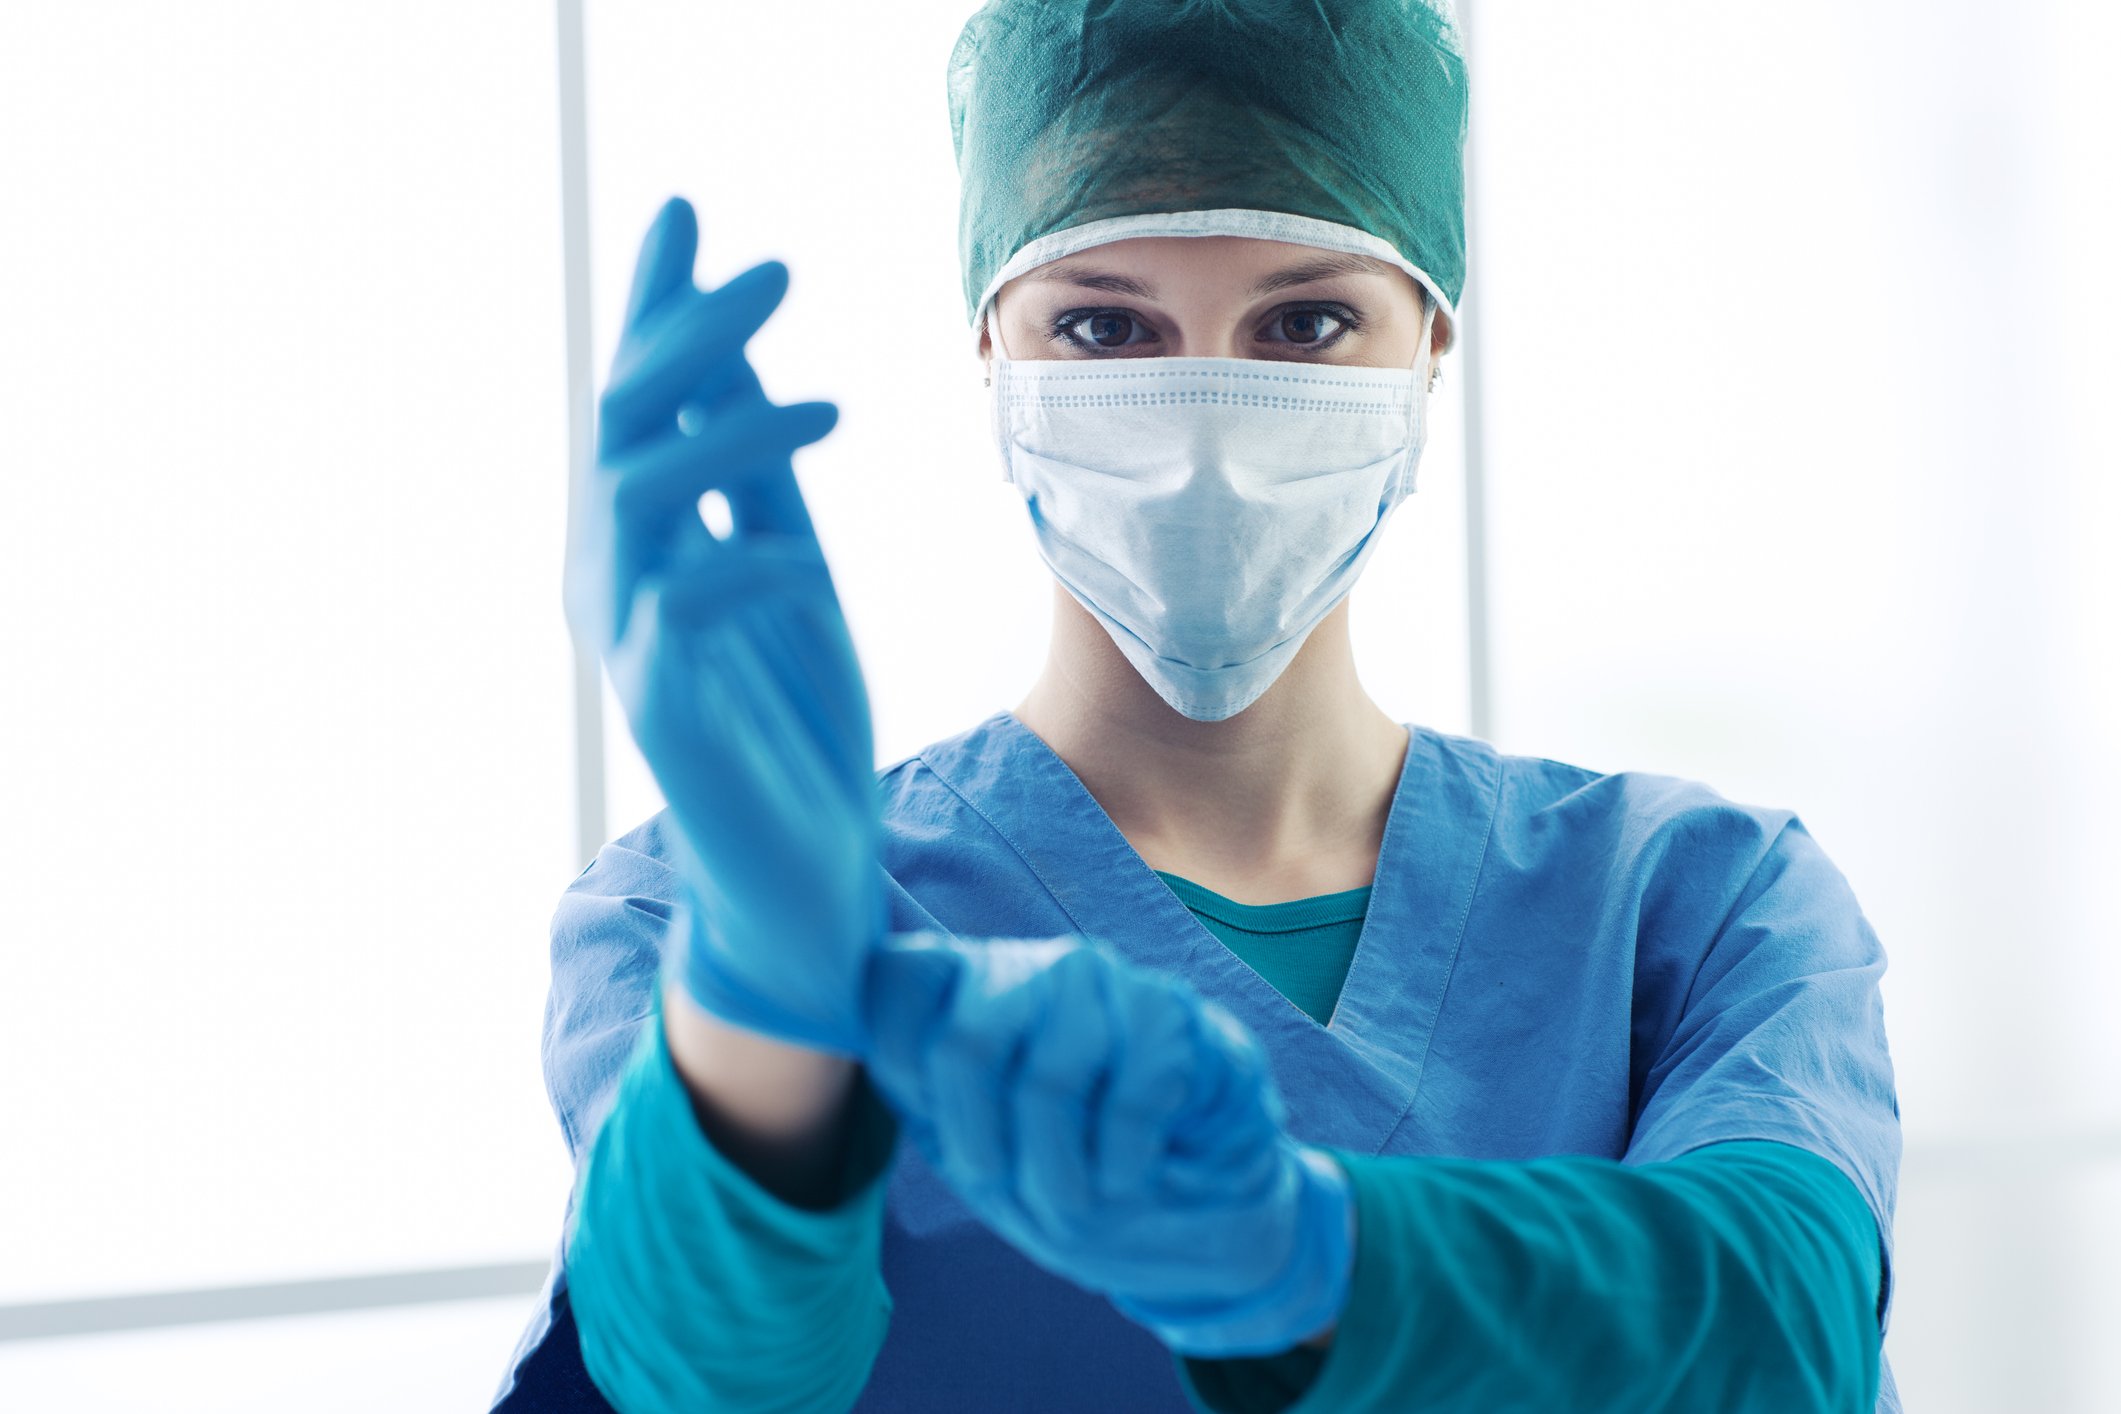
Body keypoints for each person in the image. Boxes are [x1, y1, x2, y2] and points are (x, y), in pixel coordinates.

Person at [491, 2, 1901, 1410]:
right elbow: (700, 1376)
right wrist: (770, 992)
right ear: (990, 349)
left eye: (1305, 321)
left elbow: (1786, 1315)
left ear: (1429, 347)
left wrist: (1291, 1249)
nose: (1205, 422)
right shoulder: (691, 916)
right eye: (1103, 322)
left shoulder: (1692, 899)